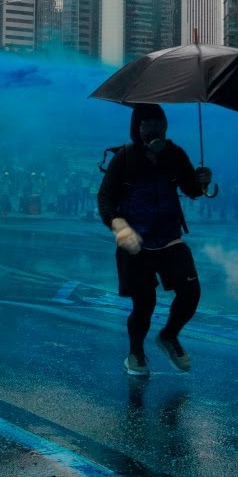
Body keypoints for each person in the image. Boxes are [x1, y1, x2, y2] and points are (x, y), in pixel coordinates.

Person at [97, 104, 213, 376]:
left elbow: (190, 188)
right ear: (138, 129)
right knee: (144, 304)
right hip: (135, 242)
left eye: (159, 124)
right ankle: (135, 353)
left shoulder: (175, 154)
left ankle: (169, 335)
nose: (155, 130)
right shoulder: (124, 158)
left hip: (170, 238)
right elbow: (105, 197)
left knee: (191, 291)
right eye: (148, 125)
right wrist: (117, 224)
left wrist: (202, 181)